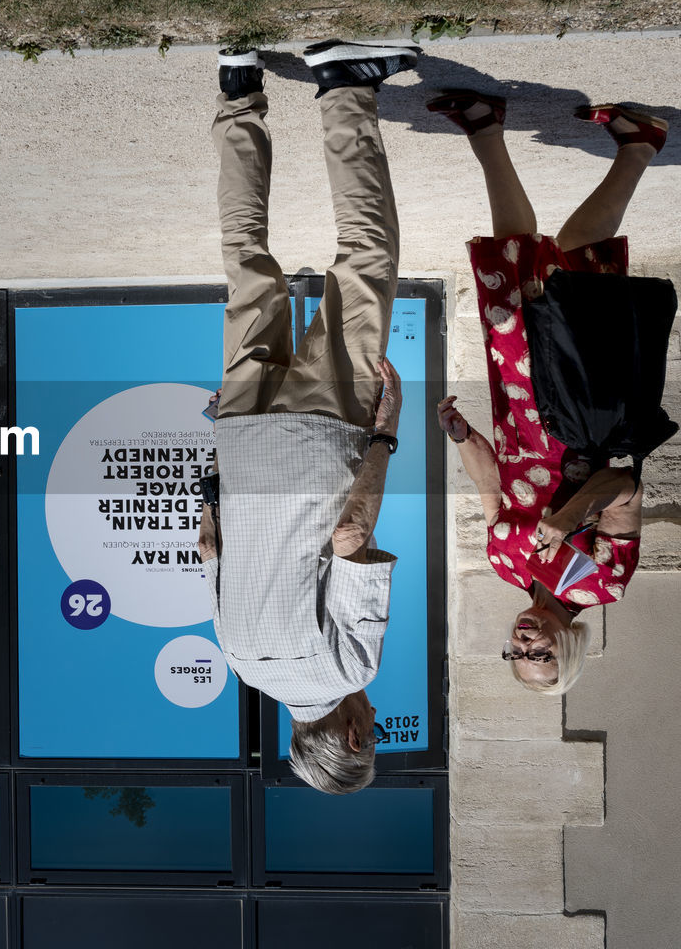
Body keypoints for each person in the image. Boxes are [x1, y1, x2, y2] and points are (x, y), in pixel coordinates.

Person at [197, 39, 419, 795]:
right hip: (240, 434)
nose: (374, 713)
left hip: (325, 438)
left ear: (352, 733)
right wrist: (217, 448)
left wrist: (386, 432)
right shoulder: (239, 659)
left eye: (372, 728)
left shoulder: (350, 668)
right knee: (246, 267)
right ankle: (237, 88)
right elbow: (209, 538)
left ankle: (345, 85)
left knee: (365, 261)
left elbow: (350, 534)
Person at [428, 93, 664, 695]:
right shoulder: (602, 584)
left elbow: (490, 491)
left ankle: (628, 144)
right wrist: (562, 521)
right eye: (540, 655)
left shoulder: (507, 567)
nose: (524, 643)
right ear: (569, 650)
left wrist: (464, 438)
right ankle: (626, 144)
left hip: (519, 406)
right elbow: (625, 488)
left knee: (515, 276)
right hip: (580, 405)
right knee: (565, 268)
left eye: (516, 653)